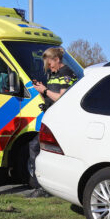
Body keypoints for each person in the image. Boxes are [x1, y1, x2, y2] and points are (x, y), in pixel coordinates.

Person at [27, 46, 78, 197]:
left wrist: (44, 90)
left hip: (63, 120)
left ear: (56, 59)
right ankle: (43, 186)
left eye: (49, 64)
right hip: (52, 118)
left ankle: (43, 187)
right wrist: (41, 93)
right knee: (38, 148)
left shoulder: (67, 73)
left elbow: (63, 98)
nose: (49, 67)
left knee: (37, 147)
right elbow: (51, 96)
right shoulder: (53, 74)